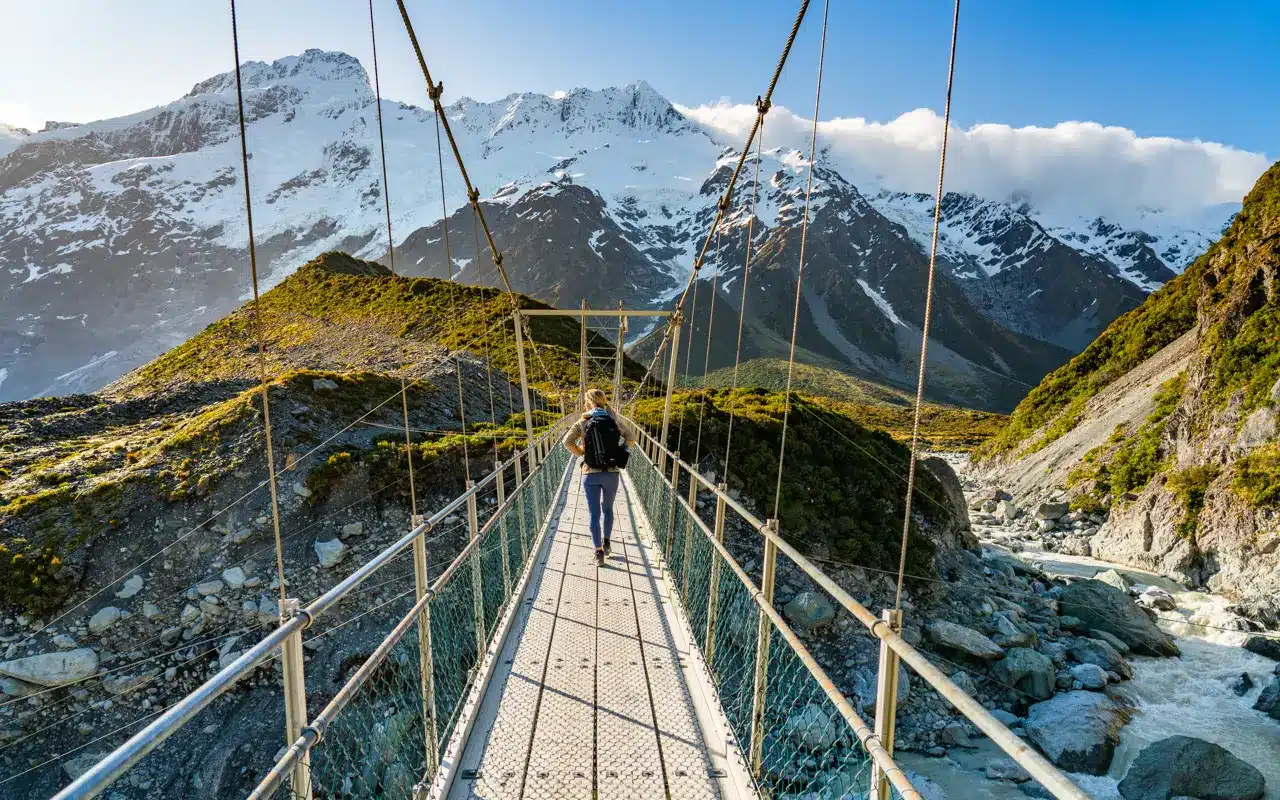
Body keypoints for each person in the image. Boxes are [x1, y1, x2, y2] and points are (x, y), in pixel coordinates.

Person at [562, 388, 637, 565]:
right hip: (611, 473)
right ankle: (608, 542)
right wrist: (622, 452)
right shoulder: (613, 419)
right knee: (608, 509)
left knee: (594, 514)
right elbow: (631, 437)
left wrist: (581, 452)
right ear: (603, 401)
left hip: (590, 473)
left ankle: (599, 552)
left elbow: (567, 442)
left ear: (588, 402)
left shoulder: (584, 421)